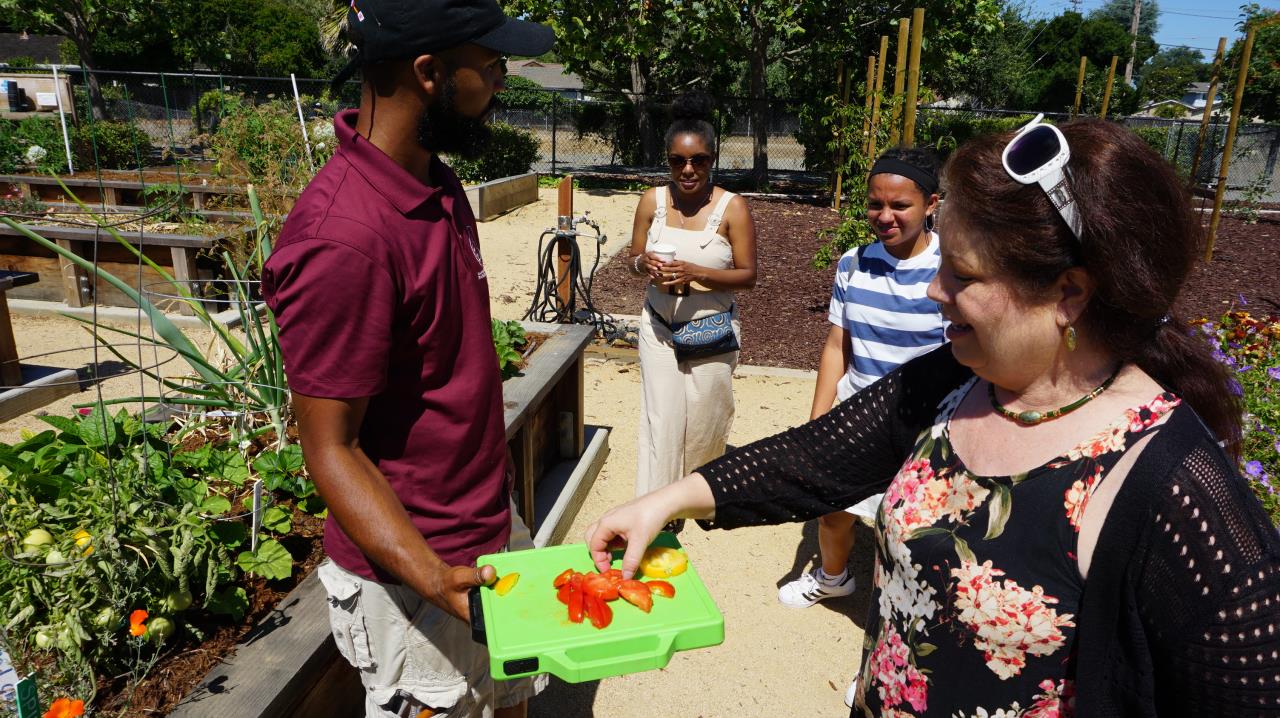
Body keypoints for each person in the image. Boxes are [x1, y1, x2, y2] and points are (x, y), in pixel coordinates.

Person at [586, 117, 1280, 715]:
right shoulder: (959, 381)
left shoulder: (1176, 489)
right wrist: (670, 499)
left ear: (1068, 292)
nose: (937, 292)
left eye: (964, 277)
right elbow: (814, 458)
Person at [260, 2, 553, 716]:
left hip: (484, 529)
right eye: (490, 65)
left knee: (510, 699)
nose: (501, 81)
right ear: (428, 73)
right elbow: (331, 449)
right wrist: (431, 576)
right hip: (414, 582)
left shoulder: (435, 183)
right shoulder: (343, 243)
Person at [777, 146, 946, 609]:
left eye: (900, 205)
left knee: (908, 531)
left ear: (931, 204)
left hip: (921, 424)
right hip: (855, 413)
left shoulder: (952, 270)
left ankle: (897, 625)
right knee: (832, 511)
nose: (885, 215)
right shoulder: (853, 262)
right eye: (876, 204)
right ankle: (833, 578)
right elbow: (838, 344)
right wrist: (818, 421)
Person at [626, 92, 758, 521]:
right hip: (659, 326)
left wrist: (694, 273)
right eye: (678, 161)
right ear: (667, 160)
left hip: (710, 330)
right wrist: (642, 263)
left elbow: (748, 276)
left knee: (704, 422)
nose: (688, 170)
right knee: (660, 421)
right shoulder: (652, 201)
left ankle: (698, 498)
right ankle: (655, 513)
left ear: (712, 158)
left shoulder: (731, 208)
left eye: (698, 161)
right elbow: (633, 260)